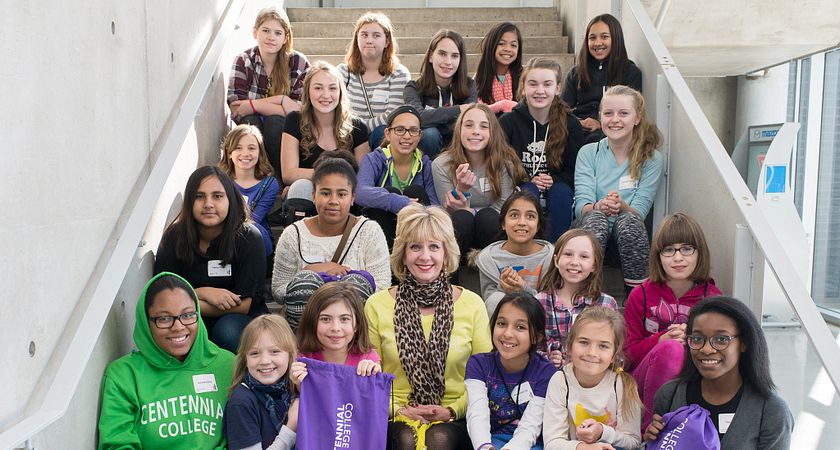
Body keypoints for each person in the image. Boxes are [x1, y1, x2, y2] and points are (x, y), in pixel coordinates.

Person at [364, 204, 492, 450]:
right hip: (394, 415)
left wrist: (451, 411)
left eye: (434, 246)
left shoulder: (473, 305)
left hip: (457, 416)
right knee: (404, 439)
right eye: (415, 247)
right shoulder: (376, 305)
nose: (425, 256)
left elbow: (484, 379)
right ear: (403, 254)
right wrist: (400, 411)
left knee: (439, 439)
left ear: (446, 253)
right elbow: (371, 382)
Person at [98, 273, 235, 450]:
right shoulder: (124, 375)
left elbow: (240, 434)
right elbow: (117, 443)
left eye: (187, 315)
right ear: (146, 322)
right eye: (164, 318)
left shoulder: (228, 364)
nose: (178, 326)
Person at [644, 296, 794, 449]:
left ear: (744, 343)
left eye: (721, 339)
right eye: (697, 338)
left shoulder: (772, 409)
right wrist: (651, 443)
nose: (706, 349)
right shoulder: (669, 395)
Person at [623, 212, 723, 431]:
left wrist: (694, 340)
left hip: (693, 383)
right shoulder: (640, 295)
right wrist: (660, 339)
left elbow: (722, 355)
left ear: (699, 253)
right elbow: (626, 357)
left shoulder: (713, 299)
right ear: (658, 256)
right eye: (669, 250)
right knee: (669, 348)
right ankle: (650, 434)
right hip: (642, 386)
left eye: (686, 249)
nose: (678, 258)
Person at [155, 166, 268, 352]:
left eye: (217, 196)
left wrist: (186, 304)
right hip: (187, 319)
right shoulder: (174, 237)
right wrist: (203, 293)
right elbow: (162, 295)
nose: (208, 204)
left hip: (241, 320)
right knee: (186, 328)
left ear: (230, 199)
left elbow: (247, 305)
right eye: (200, 196)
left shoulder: (248, 237)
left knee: (227, 329)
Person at [272, 157, 390, 330]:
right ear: (313, 195)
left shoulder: (369, 231)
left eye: (341, 194)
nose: (333, 200)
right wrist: (312, 272)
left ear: (352, 198)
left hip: (354, 329)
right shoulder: (293, 234)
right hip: (307, 329)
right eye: (325, 193)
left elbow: (381, 288)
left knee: (359, 284)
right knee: (305, 284)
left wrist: (337, 280)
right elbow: (278, 291)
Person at [573, 85, 663, 298]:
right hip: (589, 236)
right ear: (600, 117)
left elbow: (640, 212)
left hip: (625, 242)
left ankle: (638, 298)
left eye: (623, 113)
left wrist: (622, 207)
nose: (615, 119)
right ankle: (585, 294)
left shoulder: (651, 159)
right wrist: (599, 206)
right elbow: (580, 208)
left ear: (637, 118)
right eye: (608, 113)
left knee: (630, 219)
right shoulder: (588, 152)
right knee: (595, 218)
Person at [499, 57, 584, 241]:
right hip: (522, 183)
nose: (540, 91)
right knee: (528, 191)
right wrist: (528, 179)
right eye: (533, 84)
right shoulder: (508, 123)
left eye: (547, 84)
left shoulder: (571, 124)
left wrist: (553, 179)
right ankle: (527, 247)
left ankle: (555, 250)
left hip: (558, 186)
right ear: (523, 88)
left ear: (558, 88)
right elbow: (502, 166)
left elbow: (574, 171)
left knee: (561, 192)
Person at [432, 103, 528, 263]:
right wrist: (463, 189)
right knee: (461, 217)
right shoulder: (441, 165)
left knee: (488, 216)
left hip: (491, 230)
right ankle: (450, 279)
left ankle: (497, 274)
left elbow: (501, 209)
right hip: (459, 234)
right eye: (468, 125)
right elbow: (447, 212)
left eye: (484, 126)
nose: (475, 131)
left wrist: (469, 210)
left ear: (493, 132)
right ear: (459, 130)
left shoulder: (505, 165)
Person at [465, 291, 558, 450]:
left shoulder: (547, 373)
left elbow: (531, 426)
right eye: (501, 324)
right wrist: (484, 447)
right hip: (486, 441)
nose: (508, 334)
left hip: (529, 444)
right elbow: (477, 414)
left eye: (520, 327)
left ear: (537, 336)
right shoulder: (478, 364)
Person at [543, 307, 643, 450]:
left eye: (603, 345)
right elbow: (552, 442)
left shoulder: (623, 385)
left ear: (614, 355)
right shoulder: (560, 381)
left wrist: (603, 432)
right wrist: (584, 448)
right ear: (569, 347)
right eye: (584, 342)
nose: (591, 352)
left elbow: (633, 442)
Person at [228, 7, 310, 177]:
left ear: (286, 38)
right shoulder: (243, 61)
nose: (271, 37)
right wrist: (282, 102)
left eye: (278, 33)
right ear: (255, 32)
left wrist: (253, 104)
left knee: (275, 122)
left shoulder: (298, 62)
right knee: (250, 122)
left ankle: (282, 180)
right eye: (265, 30)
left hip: (285, 133)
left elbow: (299, 112)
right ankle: (253, 180)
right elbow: (237, 108)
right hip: (252, 130)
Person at [281, 61, 370, 206]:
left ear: (340, 91)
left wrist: (315, 176)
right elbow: (289, 174)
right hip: (311, 195)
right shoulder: (294, 120)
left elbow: (361, 177)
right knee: (300, 187)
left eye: (332, 88)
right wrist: (337, 172)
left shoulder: (358, 127)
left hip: (344, 198)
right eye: (318, 88)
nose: (326, 95)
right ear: (308, 91)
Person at [356, 105, 439, 249]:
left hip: (415, 233)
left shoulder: (426, 165)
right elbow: (359, 193)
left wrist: (415, 209)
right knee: (390, 191)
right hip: (379, 231)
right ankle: (385, 260)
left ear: (420, 136)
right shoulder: (373, 159)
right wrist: (401, 203)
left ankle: (416, 255)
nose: (407, 136)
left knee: (416, 191)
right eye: (400, 130)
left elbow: (436, 208)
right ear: (388, 134)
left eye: (413, 131)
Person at [535, 229, 617, 368]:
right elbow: (530, 348)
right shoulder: (540, 302)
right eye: (568, 254)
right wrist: (546, 358)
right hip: (551, 379)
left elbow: (613, 349)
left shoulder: (606, 304)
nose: (574, 262)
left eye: (584, 256)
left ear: (594, 265)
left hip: (590, 379)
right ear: (556, 260)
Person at [561, 14, 642, 144]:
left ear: (616, 38)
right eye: (592, 38)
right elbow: (562, 109)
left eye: (604, 37)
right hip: (578, 130)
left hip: (612, 130)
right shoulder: (575, 72)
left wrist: (600, 123)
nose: (597, 43)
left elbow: (632, 112)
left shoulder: (630, 72)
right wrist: (578, 123)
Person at [223, 315, 299, 450]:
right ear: (245, 359)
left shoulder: (294, 388)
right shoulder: (242, 401)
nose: (264, 361)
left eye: (274, 351)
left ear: (290, 354)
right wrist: (291, 428)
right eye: (254, 353)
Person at [338, 12, 411, 150]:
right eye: (364, 35)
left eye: (376, 35)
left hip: (379, 138)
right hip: (347, 137)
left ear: (387, 41)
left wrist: (359, 130)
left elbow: (392, 117)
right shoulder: (342, 72)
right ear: (357, 39)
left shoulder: (399, 74)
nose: (369, 40)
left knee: (383, 131)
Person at [475, 191, 554, 317]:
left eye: (530, 216)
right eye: (514, 215)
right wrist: (505, 287)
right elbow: (489, 301)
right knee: (496, 298)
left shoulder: (551, 257)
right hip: (503, 321)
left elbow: (552, 303)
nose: (522, 222)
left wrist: (523, 290)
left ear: (538, 225)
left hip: (539, 319)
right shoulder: (489, 258)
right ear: (503, 224)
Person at [404, 29, 478, 159]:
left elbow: (471, 121)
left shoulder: (468, 85)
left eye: (454, 56)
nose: (448, 62)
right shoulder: (413, 88)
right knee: (430, 134)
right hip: (427, 148)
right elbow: (416, 119)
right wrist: (458, 110)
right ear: (431, 56)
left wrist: (432, 119)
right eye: (442, 54)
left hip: (458, 148)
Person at [289, 282, 381, 386]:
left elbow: (375, 398)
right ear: (312, 322)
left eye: (344, 319)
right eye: (326, 319)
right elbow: (307, 399)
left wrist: (374, 375)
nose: (335, 328)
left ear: (357, 325)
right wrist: (298, 383)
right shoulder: (303, 360)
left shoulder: (368, 359)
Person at [218, 124, 280, 256]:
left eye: (251, 148)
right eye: (238, 148)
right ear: (229, 153)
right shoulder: (219, 181)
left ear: (260, 152)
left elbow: (254, 219)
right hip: (224, 234)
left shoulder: (269, 184)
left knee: (253, 230)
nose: (245, 153)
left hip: (255, 238)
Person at [474, 22, 522, 114]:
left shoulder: (524, 74)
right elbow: (478, 108)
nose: (508, 49)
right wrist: (503, 105)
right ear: (491, 45)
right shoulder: (480, 76)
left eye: (513, 45)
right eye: (501, 43)